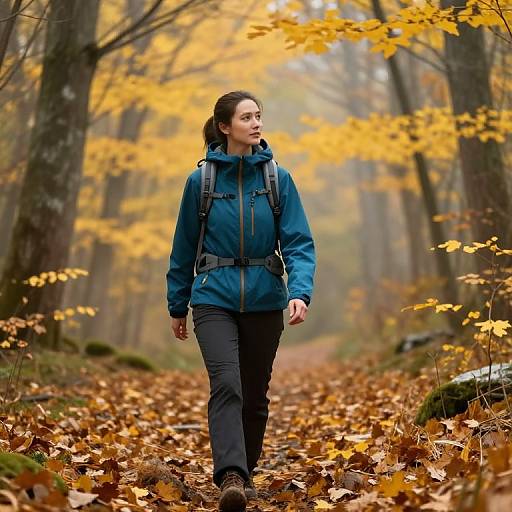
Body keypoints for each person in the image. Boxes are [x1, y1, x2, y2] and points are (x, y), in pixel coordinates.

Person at [166, 90, 316, 512]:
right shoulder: (200, 182)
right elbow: (183, 248)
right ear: (224, 127)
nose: (256, 123)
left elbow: (300, 242)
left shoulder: (277, 179)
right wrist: (178, 304)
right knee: (226, 383)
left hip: (267, 300)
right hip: (213, 297)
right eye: (247, 117)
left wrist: (300, 292)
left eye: (259, 116)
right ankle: (230, 474)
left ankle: (245, 474)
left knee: (254, 394)